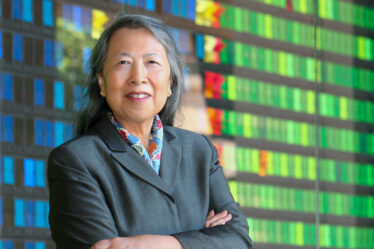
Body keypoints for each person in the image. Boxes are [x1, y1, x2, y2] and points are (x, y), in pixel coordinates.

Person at [48, 14, 252, 249]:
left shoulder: (200, 152)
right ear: (102, 82)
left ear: (170, 83)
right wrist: (204, 239)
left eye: (152, 63)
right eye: (123, 63)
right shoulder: (75, 161)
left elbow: (239, 240)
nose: (138, 77)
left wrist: (155, 244)